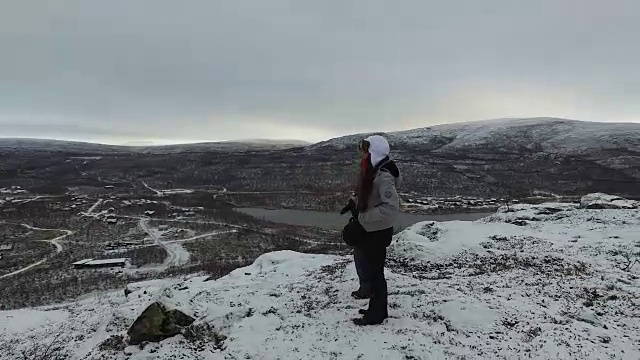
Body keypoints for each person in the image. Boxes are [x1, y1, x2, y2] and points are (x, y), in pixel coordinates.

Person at [351, 134, 400, 326]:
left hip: (377, 231)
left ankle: (376, 315)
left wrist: (364, 217)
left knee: (376, 273)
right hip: (372, 229)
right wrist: (355, 204)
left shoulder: (383, 176)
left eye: (365, 150)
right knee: (372, 270)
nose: (362, 154)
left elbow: (390, 208)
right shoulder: (374, 171)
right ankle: (377, 308)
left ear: (374, 152)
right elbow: (372, 199)